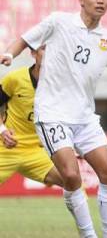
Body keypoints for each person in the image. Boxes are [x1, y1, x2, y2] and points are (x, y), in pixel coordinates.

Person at [0, 0, 107, 238]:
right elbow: (26, 38)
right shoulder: (58, 22)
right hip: (51, 115)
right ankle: (88, 235)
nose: (100, 1)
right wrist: (8, 54)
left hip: (84, 117)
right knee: (72, 176)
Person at [0, 46, 63, 188]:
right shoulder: (15, 79)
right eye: (44, 49)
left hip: (38, 152)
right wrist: (2, 130)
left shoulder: (61, 84)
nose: (49, 53)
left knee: (73, 181)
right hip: (6, 147)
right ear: (34, 53)